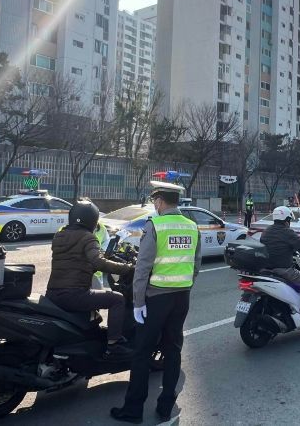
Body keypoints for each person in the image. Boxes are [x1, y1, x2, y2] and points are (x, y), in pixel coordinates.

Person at [111, 181, 202, 424]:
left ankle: (133, 410)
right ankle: (165, 407)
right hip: (181, 298)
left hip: (156, 299)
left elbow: (142, 267)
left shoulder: (156, 225)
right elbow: (196, 265)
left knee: (142, 352)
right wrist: (185, 286)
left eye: (155, 201)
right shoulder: (192, 226)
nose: (154, 205)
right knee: (173, 350)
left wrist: (138, 301)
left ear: (160, 201)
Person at [46, 200, 134, 356]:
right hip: (74, 294)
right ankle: (114, 344)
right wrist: (127, 268)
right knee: (118, 299)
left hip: (53, 294)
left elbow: (73, 261)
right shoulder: (88, 237)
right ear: (92, 220)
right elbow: (98, 262)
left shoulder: (59, 236)